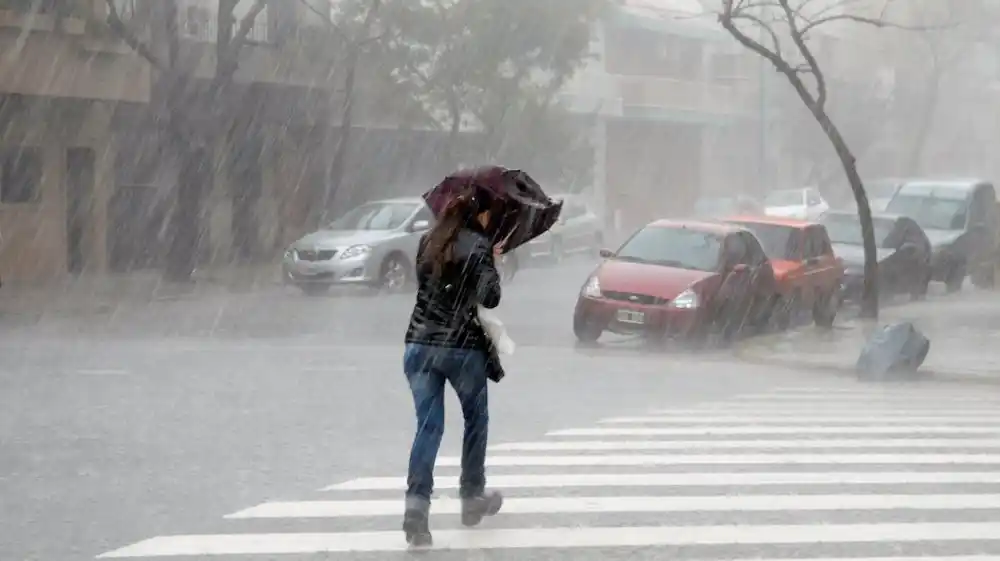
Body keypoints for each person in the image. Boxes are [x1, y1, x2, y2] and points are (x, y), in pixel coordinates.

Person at [402, 185, 506, 546]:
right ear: (480, 215)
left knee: (428, 428)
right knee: (475, 420)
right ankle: (471, 497)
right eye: (489, 215)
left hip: (418, 345)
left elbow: (431, 287)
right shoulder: (478, 245)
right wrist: (491, 262)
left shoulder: (427, 241)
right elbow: (490, 297)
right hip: (461, 349)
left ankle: (416, 510)